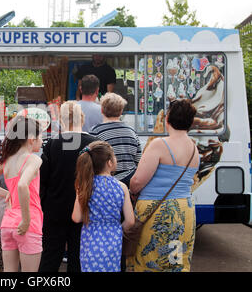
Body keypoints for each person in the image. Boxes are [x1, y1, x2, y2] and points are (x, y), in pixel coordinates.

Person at [127, 99, 199, 272]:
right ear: (190, 122)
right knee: (176, 261)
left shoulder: (159, 144)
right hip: (185, 209)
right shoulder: (194, 148)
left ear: (167, 119)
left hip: (157, 209)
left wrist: (130, 191)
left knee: (150, 259)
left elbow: (137, 181)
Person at [0, 116, 43, 272]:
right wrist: (26, 220)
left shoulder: (7, 161)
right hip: (29, 224)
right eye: (41, 137)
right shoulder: (33, 159)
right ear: (31, 139)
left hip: (7, 224)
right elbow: (22, 185)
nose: (42, 141)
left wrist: (7, 193)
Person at [38, 101, 98, 272]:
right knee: (78, 258)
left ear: (61, 120)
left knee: (50, 257)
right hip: (85, 209)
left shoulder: (52, 144)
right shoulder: (94, 144)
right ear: (82, 118)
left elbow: (43, 178)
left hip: (55, 208)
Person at [72, 141, 135, 272]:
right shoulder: (121, 187)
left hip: (90, 239)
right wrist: (117, 229)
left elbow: (76, 217)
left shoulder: (84, 186)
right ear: (109, 163)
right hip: (114, 239)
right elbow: (130, 221)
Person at [90, 93, 142, 187]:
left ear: (101, 110)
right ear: (121, 111)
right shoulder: (132, 132)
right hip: (129, 182)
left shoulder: (95, 132)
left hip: (105, 184)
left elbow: (91, 161)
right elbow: (138, 161)